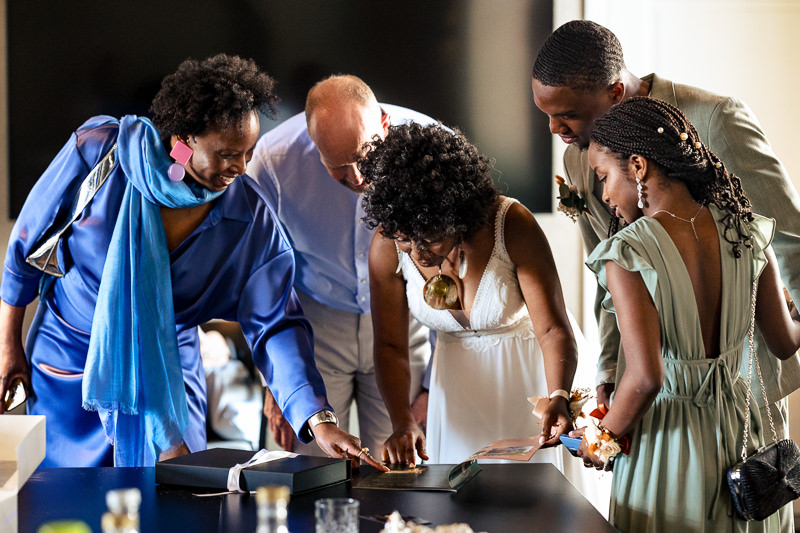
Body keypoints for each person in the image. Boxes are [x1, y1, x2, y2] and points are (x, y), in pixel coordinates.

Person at [0, 54, 384, 470]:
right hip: (70, 362)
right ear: (184, 140)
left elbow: (277, 325)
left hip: (170, 373)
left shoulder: (248, 218)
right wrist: (8, 345)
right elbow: (25, 247)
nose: (240, 168)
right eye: (226, 154)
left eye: (249, 152)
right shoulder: (99, 154)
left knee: (175, 501)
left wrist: (319, 419)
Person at [531, 20, 800, 529]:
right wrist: (609, 373)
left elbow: (790, 237)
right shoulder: (582, 154)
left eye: (566, 114)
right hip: (655, 398)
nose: (555, 130)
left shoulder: (715, 118)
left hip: (738, 402)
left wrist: (606, 434)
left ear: (613, 91)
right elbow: (610, 294)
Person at [360, 122, 597, 481]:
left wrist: (559, 395)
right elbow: (391, 345)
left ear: (457, 213)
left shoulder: (510, 224)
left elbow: (552, 328)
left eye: (432, 238)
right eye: (407, 240)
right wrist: (402, 421)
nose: (420, 254)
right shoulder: (387, 244)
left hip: (534, 380)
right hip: (456, 390)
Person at [247, 75, 434, 456]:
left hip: (405, 320)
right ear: (313, 144)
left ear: (383, 124)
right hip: (316, 327)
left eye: (365, 156)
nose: (359, 177)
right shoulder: (272, 160)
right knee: (313, 468)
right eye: (339, 166)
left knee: (398, 468)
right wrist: (275, 384)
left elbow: (450, 270)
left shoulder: (429, 144)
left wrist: (433, 385)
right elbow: (262, 276)